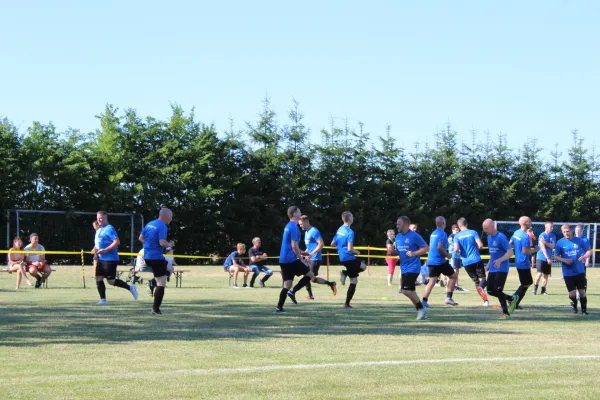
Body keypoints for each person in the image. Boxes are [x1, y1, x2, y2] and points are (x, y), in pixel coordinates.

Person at [275, 206, 315, 313]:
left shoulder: (288, 226)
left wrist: (301, 252)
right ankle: (293, 291)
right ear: (294, 214)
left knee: (287, 285)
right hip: (291, 260)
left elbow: (291, 246)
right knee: (311, 275)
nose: (301, 212)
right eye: (299, 211)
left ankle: (279, 307)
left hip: (283, 260)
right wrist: (301, 258)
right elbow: (293, 246)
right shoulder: (294, 227)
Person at [93, 211, 138, 305]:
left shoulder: (109, 228)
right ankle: (103, 300)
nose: (99, 220)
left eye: (101, 218)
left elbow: (117, 242)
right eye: (98, 218)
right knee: (98, 278)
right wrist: (95, 248)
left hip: (110, 259)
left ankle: (130, 288)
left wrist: (105, 250)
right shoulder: (99, 229)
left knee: (111, 281)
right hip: (101, 259)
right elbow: (98, 242)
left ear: (106, 218)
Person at [139, 208, 174, 315]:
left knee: (170, 268)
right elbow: (162, 242)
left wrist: (150, 244)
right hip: (156, 257)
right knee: (161, 284)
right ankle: (155, 309)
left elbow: (140, 238)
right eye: (171, 217)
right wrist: (170, 245)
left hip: (147, 256)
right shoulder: (162, 226)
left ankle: (152, 282)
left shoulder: (150, 224)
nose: (171, 219)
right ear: (166, 217)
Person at [482, 219, 517, 319]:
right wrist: (488, 265)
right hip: (493, 268)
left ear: (492, 226)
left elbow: (510, 252)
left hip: (502, 268)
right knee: (490, 291)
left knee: (498, 290)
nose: (485, 231)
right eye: (484, 229)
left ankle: (506, 313)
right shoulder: (489, 237)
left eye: (486, 228)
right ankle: (511, 298)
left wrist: (500, 260)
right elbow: (493, 254)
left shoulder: (501, 237)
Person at [395, 216, 429, 320]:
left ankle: (421, 309)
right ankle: (421, 312)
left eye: (398, 224)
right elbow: (399, 251)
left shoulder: (414, 236)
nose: (397, 226)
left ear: (405, 225)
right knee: (410, 291)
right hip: (404, 267)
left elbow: (426, 248)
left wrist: (414, 253)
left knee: (405, 290)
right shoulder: (398, 236)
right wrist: (394, 251)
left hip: (413, 267)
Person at [332, 211, 366, 308]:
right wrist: (357, 252)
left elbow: (332, 243)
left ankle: (345, 273)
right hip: (349, 257)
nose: (353, 218)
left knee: (363, 266)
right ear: (349, 219)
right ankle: (346, 303)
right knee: (354, 280)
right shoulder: (350, 232)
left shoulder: (339, 229)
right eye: (352, 216)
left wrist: (341, 248)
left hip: (342, 257)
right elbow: (350, 249)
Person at [422, 216, 458, 308]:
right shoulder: (442, 234)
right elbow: (439, 247)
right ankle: (449, 298)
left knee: (432, 281)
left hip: (431, 260)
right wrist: (447, 255)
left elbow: (431, 246)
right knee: (453, 276)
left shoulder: (433, 233)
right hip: (439, 261)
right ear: (443, 223)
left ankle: (424, 301)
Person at [554, 224, 591, 315]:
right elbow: (556, 256)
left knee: (582, 292)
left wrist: (584, 257)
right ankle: (574, 303)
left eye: (568, 231)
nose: (566, 233)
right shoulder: (560, 243)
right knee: (572, 294)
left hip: (579, 271)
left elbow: (588, 250)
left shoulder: (579, 240)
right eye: (564, 232)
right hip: (568, 272)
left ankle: (584, 310)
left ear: (571, 231)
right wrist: (564, 260)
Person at [297, 215, 337, 299]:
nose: (300, 226)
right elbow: (310, 246)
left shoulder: (314, 231)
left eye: (301, 224)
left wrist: (311, 254)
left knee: (309, 278)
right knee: (308, 276)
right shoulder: (306, 232)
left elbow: (321, 244)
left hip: (315, 259)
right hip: (309, 258)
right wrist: (304, 253)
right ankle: (312, 294)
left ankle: (330, 284)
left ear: (306, 222)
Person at [454, 218, 489, 306]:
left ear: (459, 226)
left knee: (476, 281)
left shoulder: (457, 236)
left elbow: (456, 249)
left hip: (466, 262)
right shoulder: (473, 232)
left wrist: (460, 252)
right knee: (483, 279)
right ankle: (483, 295)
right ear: (467, 224)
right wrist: (475, 249)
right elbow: (480, 245)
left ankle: (485, 301)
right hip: (476, 259)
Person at [509, 216, 537, 309]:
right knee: (527, 283)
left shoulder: (516, 232)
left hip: (518, 261)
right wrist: (535, 250)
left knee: (526, 282)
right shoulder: (525, 236)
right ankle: (513, 300)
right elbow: (525, 251)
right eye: (529, 221)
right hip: (523, 262)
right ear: (525, 223)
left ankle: (514, 300)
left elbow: (510, 243)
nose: (531, 223)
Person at [533, 221, 556, 295]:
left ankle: (543, 290)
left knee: (546, 275)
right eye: (550, 226)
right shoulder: (542, 235)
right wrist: (548, 258)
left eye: (552, 226)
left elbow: (553, 246)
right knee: (539, 273)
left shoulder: (553, 236)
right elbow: (543, 248)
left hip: (548, 258)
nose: (552, 228)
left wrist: (546, 243)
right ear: (546, 227)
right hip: (541, 257)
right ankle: (535, 289)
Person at [448, 224, 466, 292]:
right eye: (456, 230)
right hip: (453, 255)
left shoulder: (458, 236)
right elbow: (452, 245)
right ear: (452, 230)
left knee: (457, 270)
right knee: (454, 270)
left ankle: (456, 285)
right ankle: (453, 285)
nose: (457, 231)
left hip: (458, 255)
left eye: (458, 230)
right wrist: (457, 249)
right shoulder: (451, 237)